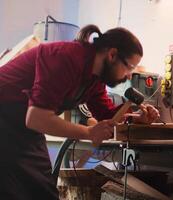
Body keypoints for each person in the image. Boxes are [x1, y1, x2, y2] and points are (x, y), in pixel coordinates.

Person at [0, 24, 160, 199]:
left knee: (44, 192)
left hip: (24, 130)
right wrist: (89, 132)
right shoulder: (65, 58)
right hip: (6, 119)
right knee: (12, 191)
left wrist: (138, 118)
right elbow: (36, 118)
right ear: (112, 54)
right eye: (129, 67)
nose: (130, 75)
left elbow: (107, 115)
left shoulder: (95, 79)